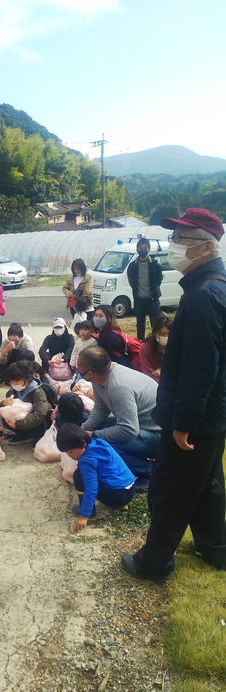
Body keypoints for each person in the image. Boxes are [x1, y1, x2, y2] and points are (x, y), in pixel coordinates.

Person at [121, 208, 226, 584]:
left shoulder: (204, 296)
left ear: (206, 247)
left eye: (181, 239)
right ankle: (215, 548)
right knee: (207, 483)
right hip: (212, 416)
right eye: (174, 237)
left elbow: (200, 371)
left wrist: (182, 424)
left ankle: (154, 563)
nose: (173, 246)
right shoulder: (213, 287)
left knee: (170, 489)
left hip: (194, 418)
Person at [79, 346, 160, 492]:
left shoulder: (118, 387)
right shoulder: (100, 379)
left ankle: (150, 471)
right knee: (98, 432)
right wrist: (83, 430)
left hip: (156, 436)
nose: (79, 374)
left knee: (103, 444)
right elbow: (100, 409)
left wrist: (95, 434)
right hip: (137, 425)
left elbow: (128, 429)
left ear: (90, 373)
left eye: (80, 371)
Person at [57, 423, 136, 532]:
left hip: (117, 496)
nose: (70, 456)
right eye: (67, 453)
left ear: (83, 443)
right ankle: (121, 505)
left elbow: (91, 488)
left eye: (71, 452)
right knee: (101, 473)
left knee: (78, 475)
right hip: (130, 489)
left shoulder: (86, 461)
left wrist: (84, 516)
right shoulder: (99, 443)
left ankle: (90, 514)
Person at [0, 362, 50, 445]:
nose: (14, 384)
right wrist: (3, 404)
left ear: (27, 380)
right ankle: (24, 435)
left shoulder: (37, 392)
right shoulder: (13, 391)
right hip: (21, 421)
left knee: (40, 426)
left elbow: (40, 414)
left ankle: (33, 436)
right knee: (4, 417)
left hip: (38, 422)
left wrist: (18, 424)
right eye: (12, 381)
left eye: (17, 381)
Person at [127, 237, 163, 341]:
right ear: (137, 250)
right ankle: (140, 344)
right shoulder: (132, 266)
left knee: (156, 324)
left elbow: (159, 280)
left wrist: (154, 290)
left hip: (153, 299)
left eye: (146, 247)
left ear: (149, 249)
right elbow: (131, 281)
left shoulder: (155, 264)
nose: (143, 249)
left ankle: (156, 343)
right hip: (139, 299)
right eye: (141, 247)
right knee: (140, 325)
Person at [0, 323, 34, 388]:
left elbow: (31, 358)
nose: (12, 338)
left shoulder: (26, 341)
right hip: (8, 365)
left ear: (20, 336)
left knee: (12, 375)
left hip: (20, 367)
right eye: (10, 335)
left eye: (14, 335)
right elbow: (0, 361)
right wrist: (6, 350)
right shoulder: (6, 342)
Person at [139, 315, 172, 383]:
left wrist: (162, 371)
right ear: (155, 333)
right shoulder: (145, 348)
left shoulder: (176, 347)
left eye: (169, 334)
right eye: (163, 334)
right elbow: (148, 373)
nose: (167, 337)